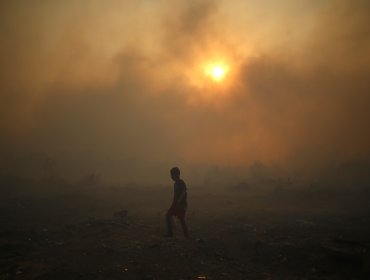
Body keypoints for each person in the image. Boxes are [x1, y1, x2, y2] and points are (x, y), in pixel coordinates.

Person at [165, 167, 189, 238]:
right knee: (168, 215)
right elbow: (175, 195)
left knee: (181, 220)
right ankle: (170, 233)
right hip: (175, 204)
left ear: (177, 174)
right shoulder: (175, 184)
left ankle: (186, 235)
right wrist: (174, 203)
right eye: (171, 175)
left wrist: (179, 200)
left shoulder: (181, 182)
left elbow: (184, 191)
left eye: (172, 175)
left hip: (181, 205)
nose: (171, 177)